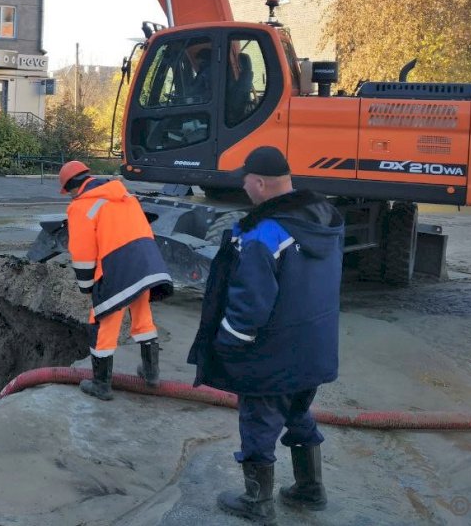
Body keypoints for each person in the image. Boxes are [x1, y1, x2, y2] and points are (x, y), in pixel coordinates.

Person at [187, 146, 344, 524]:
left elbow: (249, 305)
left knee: (259, 421)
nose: (244, 190)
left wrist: (227, 346)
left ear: (259, 183)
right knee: (297, 411)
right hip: (314, 350)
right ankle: (310, 489)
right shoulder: (323, 220)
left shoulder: (264, 235)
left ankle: (257, 503)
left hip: (273, 353)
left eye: (246, 183)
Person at [59, 160, 173, 400]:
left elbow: (82, 253)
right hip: (147, 263)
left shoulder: (81, 206)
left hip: (117, 266)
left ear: (71, 188)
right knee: (143, 316)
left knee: (102, 321)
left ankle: (101, 385)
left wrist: (87, 286)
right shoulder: (123, 195)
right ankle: (151, 374)